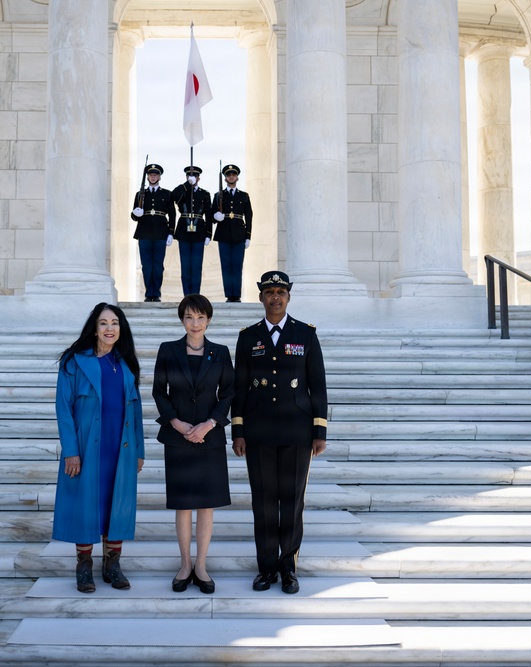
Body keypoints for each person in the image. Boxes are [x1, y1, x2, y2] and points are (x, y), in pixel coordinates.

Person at [230, 271, 327, 595]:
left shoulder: (306, 334)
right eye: (269, 292)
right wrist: (238, 430)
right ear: (261, 297)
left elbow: (318, 385)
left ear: (288, 297)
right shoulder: (248, 337)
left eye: (280, 292)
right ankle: (266, 568)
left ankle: (288, 568)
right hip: (258, 433)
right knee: (264, 503)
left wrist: (319, 430)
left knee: (292, 502)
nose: (275, 297)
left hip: (298, 433)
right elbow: (239, 387)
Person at [53, 303, 145, 593]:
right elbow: (63, 408)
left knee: (114, 504)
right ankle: (83, 567)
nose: (109, 329)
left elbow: (136, 410)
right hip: (86, 446)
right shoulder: (74, 362)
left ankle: (112, 565)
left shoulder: (126, 364)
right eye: (103, 323)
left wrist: (139, 450)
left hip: (120, 447)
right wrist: (70, 450)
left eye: (115, 323)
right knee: (85, 504)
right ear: (94, 328)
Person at [152, 294, 235, 594]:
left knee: (207, 506)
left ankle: (201, 565)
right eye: (189, 317)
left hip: (209, 438)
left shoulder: (221, 353)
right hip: (178, 438)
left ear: (209, 319)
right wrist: (175, 421)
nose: (195, 323)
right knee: (184, 505)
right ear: (182, 320)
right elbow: (159, 391)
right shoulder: (168, 350)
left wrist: (210, 424)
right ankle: (185, 564)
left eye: (200, 317)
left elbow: (228, 394)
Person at [131, 164, 176, 302]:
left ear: (159, 177)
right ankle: (148, 293)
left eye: (155, 174)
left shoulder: (166, 194)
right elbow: (134, 217)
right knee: (146, 266)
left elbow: (172, 215)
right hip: (144, 233)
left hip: (160, 233)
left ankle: (155, 293)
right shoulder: (140, 194)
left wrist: (170, 233)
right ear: (147, 177)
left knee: (157, 266)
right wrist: (135, 213)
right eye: (150, 175)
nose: (153, 176)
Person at [211, 164, 253, 302]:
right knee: (226, 266)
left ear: (237, 177)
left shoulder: (244, 196)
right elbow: (211, 215)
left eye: (233, 175)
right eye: (228, 175)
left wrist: (248, 236)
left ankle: (237, 295)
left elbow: (249, 216)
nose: (231, 177)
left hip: (239, 234)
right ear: (225, 178)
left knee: (237, 265)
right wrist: (216, 216)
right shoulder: (218, 196)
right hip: (223, 234)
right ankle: (229, 294)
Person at [171, 165, 212, 296]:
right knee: (185, 267)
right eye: (189, 176)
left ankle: (195, 295)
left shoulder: (205, 194)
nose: (192, 178)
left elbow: (209, 215)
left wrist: (208, 234)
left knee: (196, 267)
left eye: (194, 176)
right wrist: (187, 184)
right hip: (184, 231)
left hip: (199, 231)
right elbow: (172, 196)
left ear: (199, 178)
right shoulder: (183, 191)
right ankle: (186, 295)